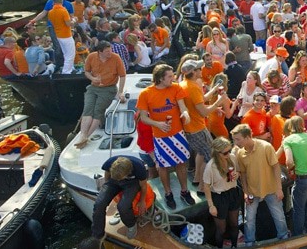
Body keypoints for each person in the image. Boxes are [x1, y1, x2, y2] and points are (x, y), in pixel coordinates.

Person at [135, 64, 195, 209]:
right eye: (169, 76)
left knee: (182, 163)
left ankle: (184, 191)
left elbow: (182, 106)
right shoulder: (145, 93)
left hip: (178, 134)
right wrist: (157, 124)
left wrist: (185, 113)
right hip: (160, 137)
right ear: (161, 78)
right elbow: (143, 118)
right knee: (163, 166)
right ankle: (168, 194)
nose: (173, 78)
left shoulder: (176, 88)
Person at [231, 124, 289, 245]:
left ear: (247, 137)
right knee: (249, 219)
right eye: (234, 139)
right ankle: (249, 242)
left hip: (271, 189)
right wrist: (246, 193)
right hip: (253, 192)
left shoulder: (266, 147)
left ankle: (284, 237)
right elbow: (243, 175)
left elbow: (276, 167)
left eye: (238, 139)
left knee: (278, 216)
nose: (235, 142)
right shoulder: (240, 154)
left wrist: (279, 189)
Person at [179, 59, 225, 187]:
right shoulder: (193, 87)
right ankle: (203, 188)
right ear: (193, 72)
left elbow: (202, 99)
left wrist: (214, 89)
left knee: (201, 153)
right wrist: (218, 102)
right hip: (197, 129)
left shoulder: (185, 84)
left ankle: (197, 179)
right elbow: (204, 112)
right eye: (199, 68)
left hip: (191, 128)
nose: (202, 70)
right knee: (210, 157)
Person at [76, 41, 127, 148]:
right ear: (100, 52)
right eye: (107, 51)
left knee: (98, 111)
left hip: (108, 88)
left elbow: (122, 75)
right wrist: (93, 78)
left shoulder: (116, 58)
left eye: (110, 50)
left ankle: (86, 137)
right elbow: (87, 72)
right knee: (87, 109)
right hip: (94, 87)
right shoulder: (91, 57)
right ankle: (83, 135)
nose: (110, 53)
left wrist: (120, 91)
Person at [91, 156, 148, 240]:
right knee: (99, 204)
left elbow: (143, 186)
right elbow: (107, 175)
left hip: (132, 182)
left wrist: (142, 201)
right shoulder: (109, 162)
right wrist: (107, 190)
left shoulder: (139, 167)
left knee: (123, 206)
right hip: (114, 180)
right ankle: (97, 234)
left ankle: (131, 225)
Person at [281, 116, 307, 236]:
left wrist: (291, 169)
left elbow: (289, 162)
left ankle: (298, 235)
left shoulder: (288, 140)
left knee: (299, 208)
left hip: (303, 177)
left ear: (290, 126)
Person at [202, 137, 241, 248]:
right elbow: (206, 186)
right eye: (225, 153)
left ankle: (234, 245)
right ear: (217, 153)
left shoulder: (232, 157)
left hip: (233, 192)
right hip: (219, 197)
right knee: (221, 229)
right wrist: (211, 206)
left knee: (234, 224)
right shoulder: (211, 166)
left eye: (229, 150)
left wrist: (237, 175)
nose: (228, 154)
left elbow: (238, 171)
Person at [47, 0, 76, 74]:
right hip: (66, 35)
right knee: (70, 54)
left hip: (58, 35)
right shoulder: (63, 11)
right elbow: (68, 24)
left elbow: (53, 23)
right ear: (61, 2)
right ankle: (66, 71)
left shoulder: (50, 12)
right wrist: (74, 20)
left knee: (66, 53)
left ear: (54, 3)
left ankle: (70, 68)